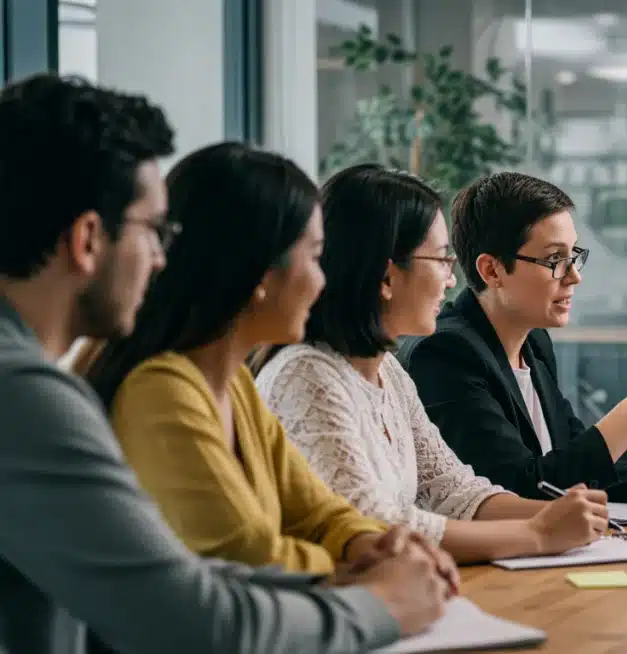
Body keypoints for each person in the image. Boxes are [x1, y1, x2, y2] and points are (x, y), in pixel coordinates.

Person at [0, 72, 446, 654]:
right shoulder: (24, 397)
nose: (163, 259)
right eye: (154, 232)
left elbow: (204, 578)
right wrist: (382, 600)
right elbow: (198, 620)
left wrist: (359, 558)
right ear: (87, 238)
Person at [79, 142, 460, 587]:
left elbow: (320, 512)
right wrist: (362, 567)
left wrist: (371, 544)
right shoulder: (163, 392)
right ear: (261, 273)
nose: (324, 280)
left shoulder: (234, 382)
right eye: (315, 258)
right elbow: (250, 556)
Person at [253, 164, 610, 563]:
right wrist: (538, 534)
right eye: (442, 260)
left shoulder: (387, 372)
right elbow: (372, 525)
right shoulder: (307, 375)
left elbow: (453, 490)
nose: (452, 279)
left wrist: (564, 516)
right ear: (387, 277)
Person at [401, 171, 627, 507]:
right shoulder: (444, 355)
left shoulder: (533, 343)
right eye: (555, 259)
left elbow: (574, 463)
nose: (573, 276)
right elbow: (523, 490)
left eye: (573, 256)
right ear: (491, 270)